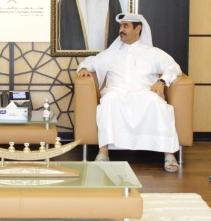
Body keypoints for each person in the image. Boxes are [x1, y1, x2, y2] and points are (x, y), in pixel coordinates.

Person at [76, 13, 183, 173]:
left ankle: (169, 154)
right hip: (116, 93)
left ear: (138, 29)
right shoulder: (112, 53)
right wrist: (84, 68)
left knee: (156, 102)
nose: (121, 30)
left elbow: (174, 68)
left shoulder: (152, 53)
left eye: (125, 26)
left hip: (144, 93)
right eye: (120, 26)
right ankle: (103, 153)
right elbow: (90, 61)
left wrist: (162, 82)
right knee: (109, 100)